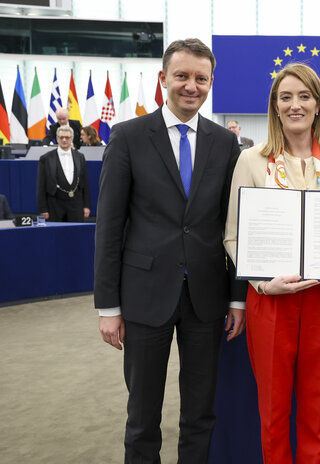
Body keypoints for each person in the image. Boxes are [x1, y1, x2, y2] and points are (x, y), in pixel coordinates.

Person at [94, 38, 246, 464]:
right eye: (182, 76)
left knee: (201, 412)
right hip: (143, 297)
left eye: (201, 78)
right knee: (143, 415)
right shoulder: (128, 137)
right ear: (163, 79)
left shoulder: (224, 143)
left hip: (206, 298)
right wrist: (108, 306)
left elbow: (231, 226)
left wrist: (237, 297)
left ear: (211, 83)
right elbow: (108, 228)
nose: (191, 86)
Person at [223, 63, 320, 464]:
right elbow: (231, 235)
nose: (295, 105)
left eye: (304, 96)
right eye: (286, 97)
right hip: (271, 299)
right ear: (274, 106)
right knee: (273, 408)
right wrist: (262, 283)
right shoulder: (251, 160)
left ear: (318, 104)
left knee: (318, 405)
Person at [37, 125, 91, 222]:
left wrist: (86, 205)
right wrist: (43, 208)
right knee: (56, 235)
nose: (64, 140)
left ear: (72, 139)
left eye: (67, 137)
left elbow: (85, 183)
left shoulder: (80, 157)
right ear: (57, 138)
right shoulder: (46, 158)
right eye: (61, 137)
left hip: (76, 205)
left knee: (76, 234)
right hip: (54, 205)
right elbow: (41, 185)